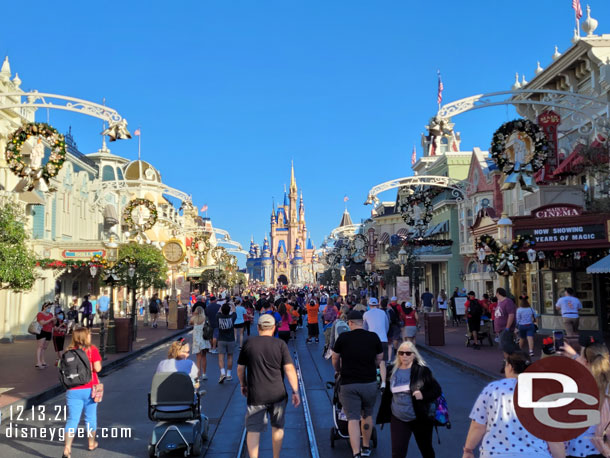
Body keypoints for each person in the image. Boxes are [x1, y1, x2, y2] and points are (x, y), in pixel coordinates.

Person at [462, 351, 564, 458]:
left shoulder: (493, 389)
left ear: (510, 367)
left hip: (495, 454)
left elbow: (477, 426)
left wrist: (468, 450)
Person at [237, 314, 300, 458]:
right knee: (277, 427)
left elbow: (240, 369)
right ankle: (276, 456)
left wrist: (243, 384)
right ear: (273, 328)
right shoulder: (280, 345)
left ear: (258, 327)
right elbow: (289, 369)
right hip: (277, 393)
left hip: (256, 394)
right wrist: (295, 391)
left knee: (253, 429)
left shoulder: (249, 343)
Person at [376, 341, 442, 458]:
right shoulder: (391, 370)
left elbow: (437, 390)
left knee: (426, 450)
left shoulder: (422, 371)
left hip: (420, 417)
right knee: (397, 453)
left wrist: (423, 395)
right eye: (401, 353)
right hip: (398, 417)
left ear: (414, 355)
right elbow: (387, 394)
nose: (404, 356)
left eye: (408, 353)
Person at [332, 310, 383, 458]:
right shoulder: (373, 337)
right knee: (367, 414)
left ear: (350, 323)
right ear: (362, 322)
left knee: (353, 418)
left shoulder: (344, 337)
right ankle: (366, 447)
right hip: (369, 382)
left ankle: (356, 452)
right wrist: (372, 365)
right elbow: (379, 357)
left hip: (349, 383)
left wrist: (338, 370)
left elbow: (335, 357)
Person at [562, 337, 610, 457]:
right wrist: (575, 356)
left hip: (575, 448)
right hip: (602, 448)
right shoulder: (607, 385)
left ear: (585, 362)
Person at [62, 327, 103, 458]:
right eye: (89, 334)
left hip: (72, 389)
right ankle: (91, 443)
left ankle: (67, 448)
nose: (91, 336)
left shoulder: (68, 351)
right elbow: (98, 368)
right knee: (90, 417)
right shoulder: (92, 350)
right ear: (85, 337)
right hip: (91, 388)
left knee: (72, 419)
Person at [363, 298, 389, 388]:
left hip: (371, 339)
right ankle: (383, 383)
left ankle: (373, 380)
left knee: (372, 361)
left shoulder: (366, 314)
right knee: (382, 362)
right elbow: (387, 325)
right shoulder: (383, 313)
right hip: (383, 339)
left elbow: (365, 328)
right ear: (377, 305)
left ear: (369, 305)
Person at [217, 303, 237, 383]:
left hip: (221, 339)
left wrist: (222, 306)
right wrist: (232, 304)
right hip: (231, 339)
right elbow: (235, 311)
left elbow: (219, 311)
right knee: (230, 357)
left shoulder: (218, 316)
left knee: (221, 357)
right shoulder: (232, 317)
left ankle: (222, 373)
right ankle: (229, 374)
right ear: (229, 310)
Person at [189, 306, 211, 381]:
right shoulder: (205, 318)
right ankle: (204, 374)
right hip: (204, 340)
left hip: (196, 340)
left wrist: (194, 315)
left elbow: (190, 323)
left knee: (198, 358)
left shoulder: (193, 319)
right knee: (204, 357)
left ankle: (198, 375)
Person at [36, 302, 56, 368]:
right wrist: (51, 319)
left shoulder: (50, 314)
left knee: (44, 348)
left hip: (49, 332)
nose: (49, 308)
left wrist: (54, 320)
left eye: (50, 307)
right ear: (44, 307)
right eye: (48, 307)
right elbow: (42, 323)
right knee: (40, 346)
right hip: (42, 331)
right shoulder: (40, 314)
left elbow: (53, 324)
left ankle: (43, 361)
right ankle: (38, 362)